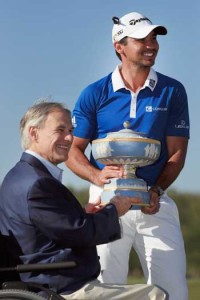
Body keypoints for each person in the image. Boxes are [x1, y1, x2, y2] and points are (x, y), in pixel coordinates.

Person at [66, 11, 190, 300]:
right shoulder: (95, 93)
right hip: (105, 202)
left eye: (154, 38)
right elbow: (73, 150)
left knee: (174, 292)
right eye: (142, 39)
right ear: (119, 46)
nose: (152, 44)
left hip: (155, 202)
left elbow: (177, 153)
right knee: (103, 291)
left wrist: (157, 190)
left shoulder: (173, 91)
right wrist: (97, 176)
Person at [0, 101, 167, 300]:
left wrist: (83, 213)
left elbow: (55, 227)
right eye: (60, 130)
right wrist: (115, 209)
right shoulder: (38, 183)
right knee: (154, 295)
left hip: (48, 281)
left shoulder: (18, 176)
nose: (69, 138)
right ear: (34, 133)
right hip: (59, 287)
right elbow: (79, 232)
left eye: (70, 130)